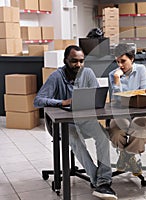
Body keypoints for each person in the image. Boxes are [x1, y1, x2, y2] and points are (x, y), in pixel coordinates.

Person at [34, 45, 117, 200]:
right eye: (74, 61)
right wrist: (62, 102)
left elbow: (96, 97)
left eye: (81, 61)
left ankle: (104, 179)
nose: (78, 65)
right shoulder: (56, 76)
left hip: (84, 119)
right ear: (66, 60)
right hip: (63, 123)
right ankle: (99, 182)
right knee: (77, 141)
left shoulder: (88, 73)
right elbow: (38, 100)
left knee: (103, 137)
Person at [108, 43, 146, 176]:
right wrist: (117, 79)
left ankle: (126, 155)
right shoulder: (113, 74)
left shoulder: (141, 70)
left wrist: (127, 99)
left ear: (132, 58)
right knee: (116, 133)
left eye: (123, 61)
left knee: (139, 129)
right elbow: (116, 100)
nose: (120, 65)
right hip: (120, 114)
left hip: (139, 112)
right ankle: (132, 158)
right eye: (117, 61)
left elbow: (144, 93)